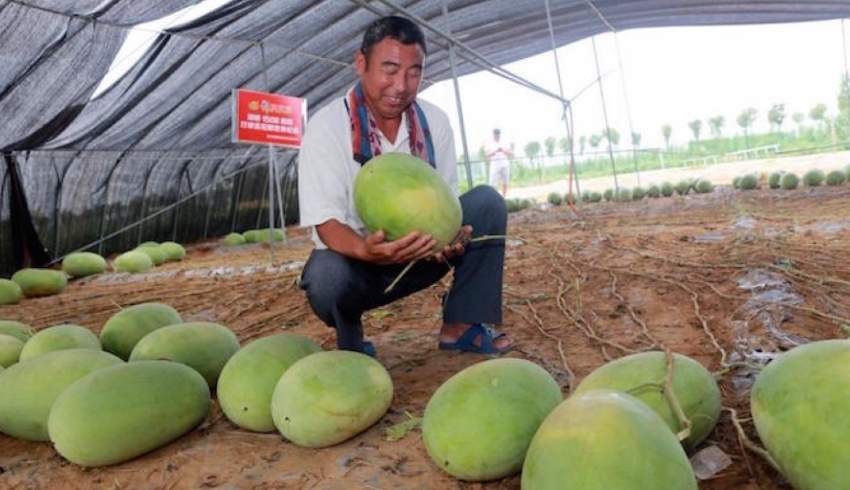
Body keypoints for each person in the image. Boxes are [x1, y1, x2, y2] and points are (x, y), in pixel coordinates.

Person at [297, 16, 511, 357]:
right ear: (361, 63)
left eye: (414, 72)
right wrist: (367, 250)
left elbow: (447, 203)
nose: (401, 85)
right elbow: (325, 223)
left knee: (486, 203)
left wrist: (452, 237)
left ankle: (461, 324)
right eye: (390, 69)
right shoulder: (327, 127)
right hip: (360, 263)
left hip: (422, 254)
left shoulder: (435, 122)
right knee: (326, 277)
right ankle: (350, 339)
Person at [485, 128, 513, 195]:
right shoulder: (489, 143)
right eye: (495, 134)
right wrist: (495, 151)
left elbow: (510, 153)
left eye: (498, 134)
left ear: (499, 134)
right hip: (495, 165)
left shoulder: (505, 142)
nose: (497, 135)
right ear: (493, 134)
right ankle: (494, 198)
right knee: (493, 184)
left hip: (504, 163)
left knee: (505, 182)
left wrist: (503, 150)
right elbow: (487, 154)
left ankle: (504, 197)